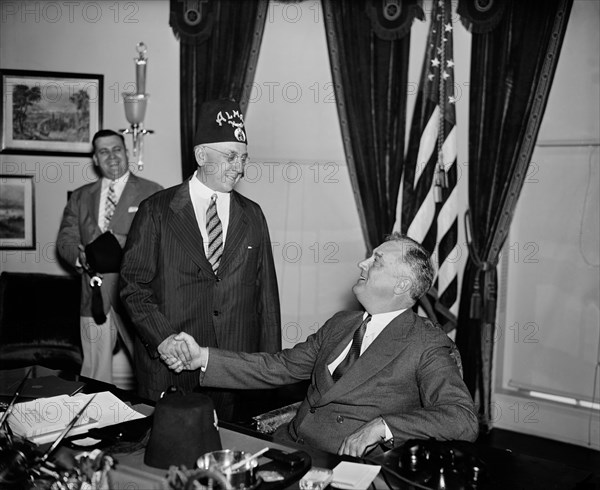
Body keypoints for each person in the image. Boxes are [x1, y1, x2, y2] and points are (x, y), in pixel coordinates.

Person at [164, 234, 478, 457]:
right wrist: (201, 357)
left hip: (344, 462)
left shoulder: (426, 343)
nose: (362, 263)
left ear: (401, 285)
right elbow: (281, 366)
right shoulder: (342, 324)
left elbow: (461, 418)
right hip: (288, 446)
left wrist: (385, 426)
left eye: (376, 260)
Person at [120, 99, 281, 417]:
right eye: (231, 156)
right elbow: (132, 285)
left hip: (232, 372)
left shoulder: (253, 216)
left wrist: (268, 372)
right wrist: (164, 340)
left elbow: (267, 300)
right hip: (170, 368)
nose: (239, 167)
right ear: (201, 155)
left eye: (244, 158)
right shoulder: (157, 210)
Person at [57, 129, 163, 384]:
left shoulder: (154, 192)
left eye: (116, 149)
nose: (111, 156)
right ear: (95, 159)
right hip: (93, 298)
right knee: (94, 377)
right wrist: (78, 257)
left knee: (149, 374)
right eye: (103, 151)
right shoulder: (81, 196)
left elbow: (163, 243)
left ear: (126, 152)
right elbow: (65, 240)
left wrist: (123, 244)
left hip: (138, 299)